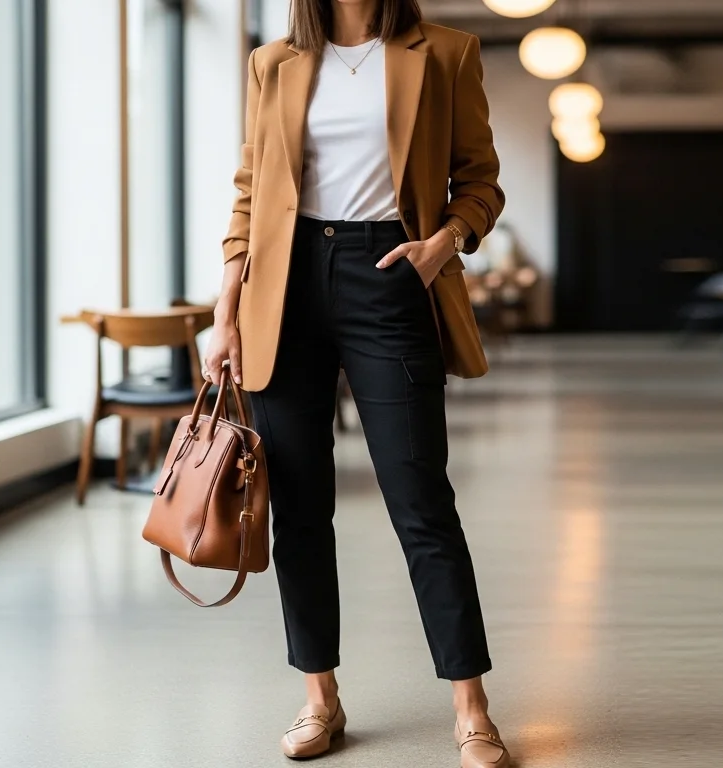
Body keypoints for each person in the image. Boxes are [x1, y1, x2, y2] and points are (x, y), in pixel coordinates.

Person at [203, 1, 506, 765]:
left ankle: (472, 709)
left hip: (391, 276)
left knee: (421, 500)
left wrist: (443, 243)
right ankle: (319, 698)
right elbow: (251, 190)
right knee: (298, 508)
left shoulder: (445, 52)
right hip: (286, 286)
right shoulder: (272, 63)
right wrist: (228, 305)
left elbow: (480, 181)